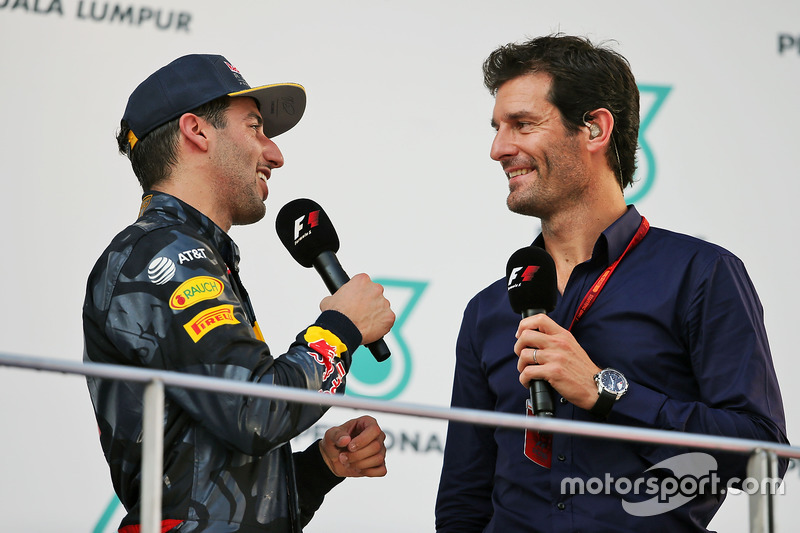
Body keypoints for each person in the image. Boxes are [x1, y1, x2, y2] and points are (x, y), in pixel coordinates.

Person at [435, 35, 788, 532]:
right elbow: (462, 501)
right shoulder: (488, 310)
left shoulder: (700, 274)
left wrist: (606, 391)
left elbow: (764, 457)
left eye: (522, 124)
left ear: (595, 128)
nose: (498, 149)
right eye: (497, 128)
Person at [83, 54, 396, 533]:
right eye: (255, 127)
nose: (275, 153)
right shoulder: (165, 255)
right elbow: (255, 413)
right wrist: (341, 329)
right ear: (197, 131)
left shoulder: (189, 252)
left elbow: (213, 495)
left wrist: (320, 468)